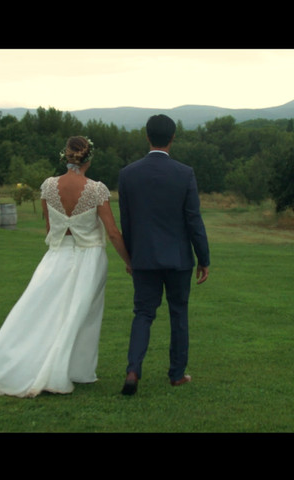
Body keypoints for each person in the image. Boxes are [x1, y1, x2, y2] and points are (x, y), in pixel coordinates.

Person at [0, 136, 131, 398]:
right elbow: (113, 232)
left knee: (43, 310)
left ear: (65, 157)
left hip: (56, 255)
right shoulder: (97, 189)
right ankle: (65, 370)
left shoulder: (48, 186)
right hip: (89, 258)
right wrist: (130, 262)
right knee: (82, 315)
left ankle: (58, 367)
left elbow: (49, 227)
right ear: (88, 158)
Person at [118, 114, 210, 396]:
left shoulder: (127, 174)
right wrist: (203, 258)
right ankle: (177, 374)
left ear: (147, 136)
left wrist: (131, 258)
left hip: (144, 257)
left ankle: (133, 371)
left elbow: (127, 222)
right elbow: (193, 219)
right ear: (172, 138)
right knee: (178, 313)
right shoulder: (184, 174)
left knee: (143, 314)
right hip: (179, 259)